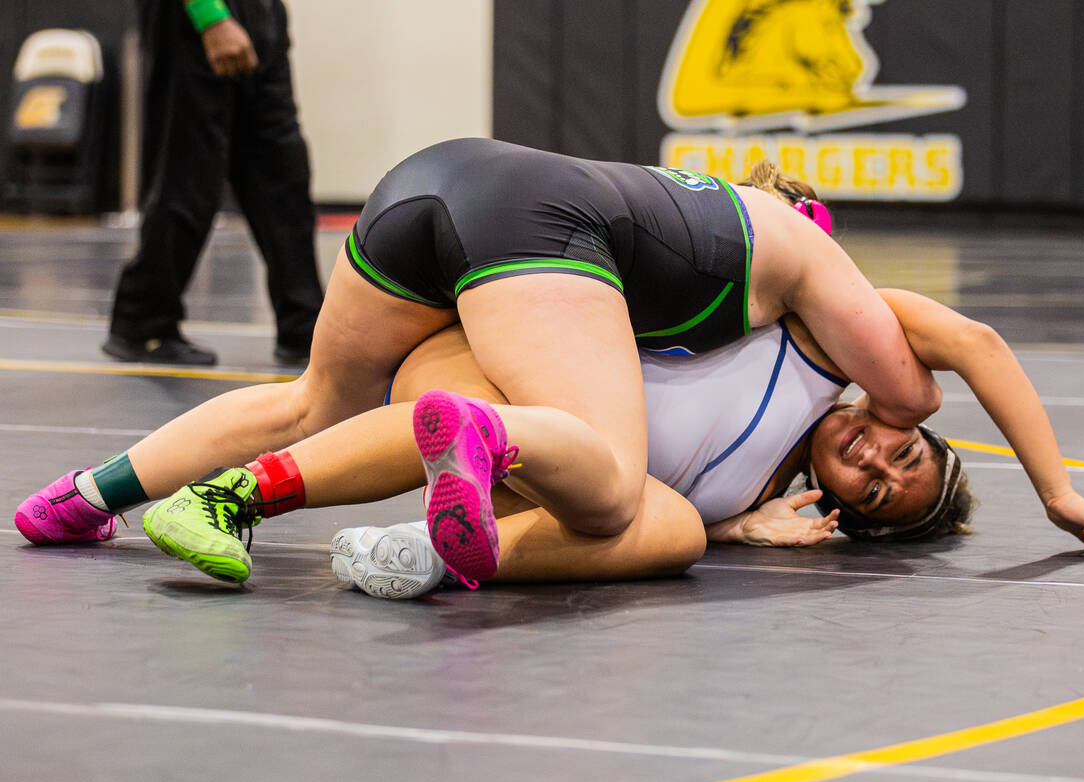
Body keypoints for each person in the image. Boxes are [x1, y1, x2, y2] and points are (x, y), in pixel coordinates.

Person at [15, 139, 942, 585]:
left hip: (430, 187)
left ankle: (82, 498)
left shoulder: (736, 269)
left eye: (875, 490)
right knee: (619, 491)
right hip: (519, 261)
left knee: (309, 401)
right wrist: (1039, 477)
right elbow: (947, 354)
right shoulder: (813, 315)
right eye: (901, 447)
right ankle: (389, 516)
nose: (875, 456)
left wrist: (745, 526)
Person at [101, 0, 324, 366]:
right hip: (197, 16)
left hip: (259, 12)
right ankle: (144, 320)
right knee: (187, 176)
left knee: (284, 176)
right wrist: (210, 17)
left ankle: (305, 328)